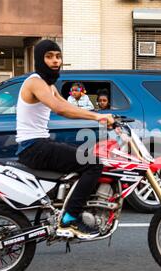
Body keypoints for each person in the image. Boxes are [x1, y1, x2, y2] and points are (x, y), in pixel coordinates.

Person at [16, 40, 114, 239]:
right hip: (33, 147)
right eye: (49, 56)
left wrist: (101, 115)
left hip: (40, 143)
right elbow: (59, 108)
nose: (55, 61)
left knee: (85, 157)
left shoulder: (49, 85)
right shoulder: (35, 82)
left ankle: (66, 208)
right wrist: (97, 118)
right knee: (93, 164)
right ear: (39, 59)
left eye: (58, 56)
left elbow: (69, 109)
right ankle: (70, 218)